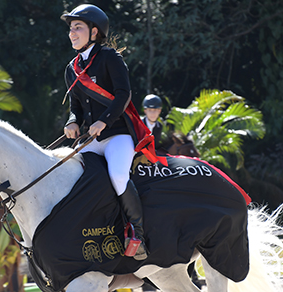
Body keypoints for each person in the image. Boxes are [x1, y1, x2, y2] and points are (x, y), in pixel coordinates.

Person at [61, 4, 166, 261]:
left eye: (78, 28)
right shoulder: (71, 69)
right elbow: (76, 108)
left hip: (118, 135)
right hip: (92, 139)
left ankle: (137, 233)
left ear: (94, 32)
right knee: (64, 170)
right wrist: (73, 122)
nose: (72, 33)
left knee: (118, 176)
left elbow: (123, 95)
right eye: (71, 29)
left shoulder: (110, 58)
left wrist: (104, 122)